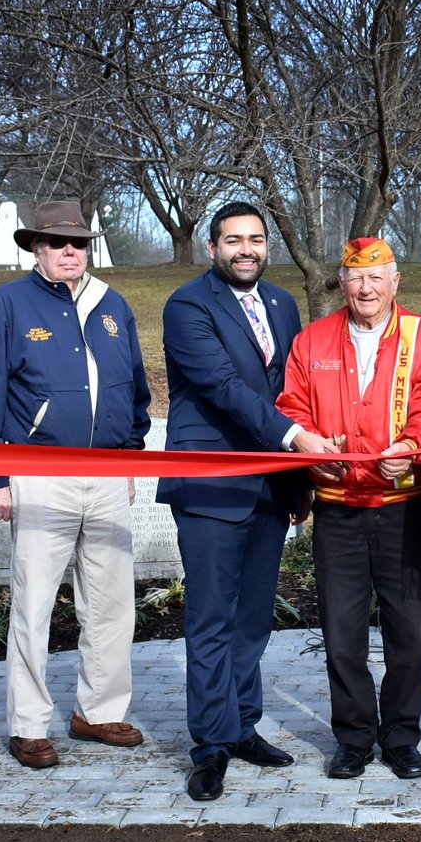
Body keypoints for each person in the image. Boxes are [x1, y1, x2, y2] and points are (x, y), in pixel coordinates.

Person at [0, 200, 153, 770]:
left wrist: (130, 458)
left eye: (79, 243)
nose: (70, 251)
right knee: (34, 604)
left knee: (112, 603)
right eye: (57, 242)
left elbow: (135, 389)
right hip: (39, 472)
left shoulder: (112, 304)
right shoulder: (9, 305)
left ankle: (99, 711)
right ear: (36, 248)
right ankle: (27, 724)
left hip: (108, 474)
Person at [159, 201, 339, 801]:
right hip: (212, 484)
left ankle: (241, 726)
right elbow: (223, 386)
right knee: (212, 618)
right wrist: (296, 439)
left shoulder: (283, 304)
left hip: (270, 485)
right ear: (212, 247)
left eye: (256, 239)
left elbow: (294, 390)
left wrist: (301, 478)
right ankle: (210, 745)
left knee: (254, 618)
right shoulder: (188, 305)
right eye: (233, 240)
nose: (246, 250)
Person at [274, 237, 421, 781]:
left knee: (408, 635)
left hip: (403, 508)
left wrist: (413, 446)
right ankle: (353, 738)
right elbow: (293, 407)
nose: (366, 288)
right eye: (355, 278)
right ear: (343, 284)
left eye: (376, 277)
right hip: (339, 510)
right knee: (341, 634)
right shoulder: (312, 339)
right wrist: (308, 451)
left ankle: (401, 736)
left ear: (396, 282)